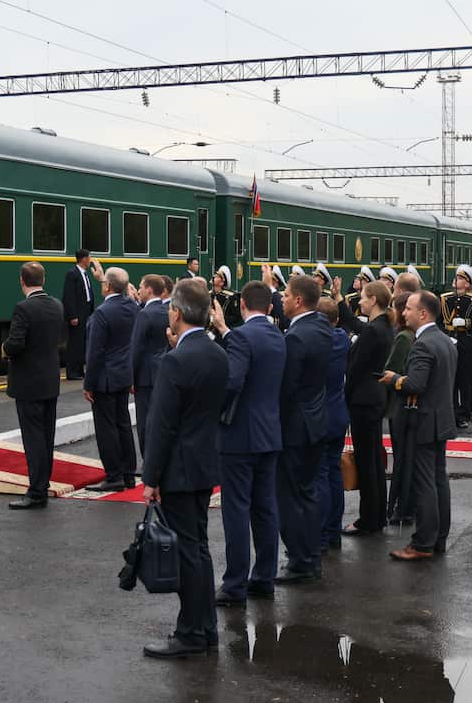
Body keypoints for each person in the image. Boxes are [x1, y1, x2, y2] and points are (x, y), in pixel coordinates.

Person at [140, 279, 229, 658]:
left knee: (188, 553)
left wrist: (150, 478)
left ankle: (191, 632)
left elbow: (162, 424)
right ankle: (205, 627)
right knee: (199, 548)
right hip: (205, 461)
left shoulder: (175, 360)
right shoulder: (218, 355)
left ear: (175, 313)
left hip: (178, 467)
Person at [209, 280, 286, 607]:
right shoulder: (277, 336)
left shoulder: (241, 337)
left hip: (240, 436)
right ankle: (264, 577)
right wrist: (226, 333)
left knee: (236, 510)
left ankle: (235, 583)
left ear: (242, 305)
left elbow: (233, 381)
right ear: (269, 307)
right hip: (269, 433)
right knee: (265, 508)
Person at [381, 290, 458, 560]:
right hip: (440, 419)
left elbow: (415, 384)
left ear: (422, 313)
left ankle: (422, 542)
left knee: (425, 483)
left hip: (424, 421)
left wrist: (393, 379)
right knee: (438, 481)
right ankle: (438, 538)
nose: (403, 313)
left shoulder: (423, 343)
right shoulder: (444, 340)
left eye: (409, 309)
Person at [275, 274, 333, 584]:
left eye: (285, 295)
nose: (281, 299)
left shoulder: (296, 337)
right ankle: (310, 557)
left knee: (289, 497)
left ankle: (299, 561)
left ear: (298, 301)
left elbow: (286, 388)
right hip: (315, 421)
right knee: (308, 495)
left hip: (295, 428)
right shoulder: (322, 327)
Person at [1, 262, 64, 508]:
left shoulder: (23, 308)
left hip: (28, 383)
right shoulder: (56, 305)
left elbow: (16, 343)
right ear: (43, 280)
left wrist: (5, 349)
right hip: (49, 380)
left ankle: (37, 491)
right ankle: (43, 485)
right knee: (47, 436)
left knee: (33, 438)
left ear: (22, 281)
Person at [341, 280, 392, 536]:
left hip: (363, 399)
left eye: (362, 297)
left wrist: (345, 398)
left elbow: (355, 369)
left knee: (366, 460)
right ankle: (377, 515)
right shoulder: (383, 326)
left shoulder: (373, 330)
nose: (359, 300)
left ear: (373, 300)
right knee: (373, 459)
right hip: (375, 396)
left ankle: (368, 519)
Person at [84, 267, 138, 491]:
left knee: (106, 428)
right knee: (123, 424)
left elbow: (95, 352)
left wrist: (89, 383)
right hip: (124, 375)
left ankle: (113, 476)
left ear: (107, 286)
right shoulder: (133, 307)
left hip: (105, 378)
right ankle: (128, 474)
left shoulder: (103, 313)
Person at [315, 299, 350, 551]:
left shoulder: (317, 341)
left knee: (320, 475)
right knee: (334, 473)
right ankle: (334, 530)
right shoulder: (342, 339)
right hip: (338, 412)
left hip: (319, 416)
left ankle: (322, 534)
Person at [384, 290, 418, 524]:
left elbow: (392, 370)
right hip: (408, 406)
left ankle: (401, 508)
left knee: (402, 460)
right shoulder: (410, 335)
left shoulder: (403, 338)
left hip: (400, 405)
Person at [129, 275, 168, 459]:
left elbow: (136, 348)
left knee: (145, 423)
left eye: (141, 287)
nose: (139, 290)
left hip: (145, 376)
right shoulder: (168, 311)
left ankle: (148, 461)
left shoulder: (144, 314)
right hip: (164, 372)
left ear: (149, 290)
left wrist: (131, 378)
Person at [440, 265, 472, 428]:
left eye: (461, 279)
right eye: (456, 277)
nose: (457, 280)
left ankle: (463, 414)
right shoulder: (445, 299)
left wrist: (467, 322)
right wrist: (445, 335)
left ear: (467, 284)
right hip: (449, 342)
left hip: (466, 344)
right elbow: (438, 320)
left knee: (464, 381)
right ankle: (451, 411)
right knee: (450, 381)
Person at [61, 249, 96, 380]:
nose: (90, 260)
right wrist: (72, 315)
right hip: (78, 314)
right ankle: (72, 372)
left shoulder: (85, 274)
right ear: (83, 259)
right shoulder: (72, 274)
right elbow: (69, 296)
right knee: (75, 343)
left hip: (86, 311)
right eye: (89, 257)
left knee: (82, 343)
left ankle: (80, 370)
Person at [211, 265, 242, 330]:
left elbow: (236, 317)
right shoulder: (208, 294)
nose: (214, 277)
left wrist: (221, 320)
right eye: (215, 276)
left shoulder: (231, 296)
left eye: (217, 277)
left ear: (222, 282)